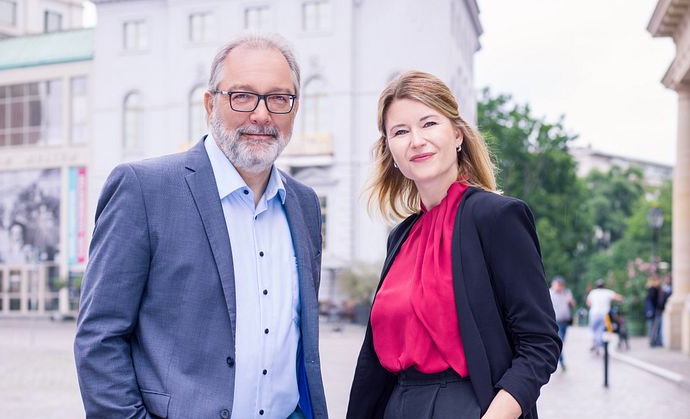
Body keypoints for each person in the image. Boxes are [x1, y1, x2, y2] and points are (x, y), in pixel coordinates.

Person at [74, 34, 327, 419]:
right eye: (242, 96)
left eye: (279, 98)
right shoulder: (145, 189)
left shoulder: (305, 205)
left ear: (294, 108)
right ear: (210, 103)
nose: (261, 115)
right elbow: (99, 338)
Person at [347, 71, 560, 419]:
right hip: (396, 407)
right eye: (400, 132)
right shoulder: (400, 237)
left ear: (457, 134)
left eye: (429, 123)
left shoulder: (497, 217)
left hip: (469, 406)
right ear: (391, 152)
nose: (416, 140)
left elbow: (539, 344)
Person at [586, 279, 623, 355]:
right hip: (604, 314)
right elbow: (619, 298)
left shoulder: (593, 292)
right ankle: (599, 346)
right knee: (600, 330)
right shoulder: (607, 292)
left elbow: (588, 303)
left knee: (592, 329)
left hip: (594, 313)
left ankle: (593, 344)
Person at [549, 276, 575, 370]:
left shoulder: (566, 292)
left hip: (565, 322)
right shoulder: (549, 293)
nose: (560, 287)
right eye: (558, 285)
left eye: (561, 285)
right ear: (554, 284)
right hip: (555, 322)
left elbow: (573, 305)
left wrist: (570, 300)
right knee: (559, 343)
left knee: (561, 343)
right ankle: (561, 362)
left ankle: (558, 360)